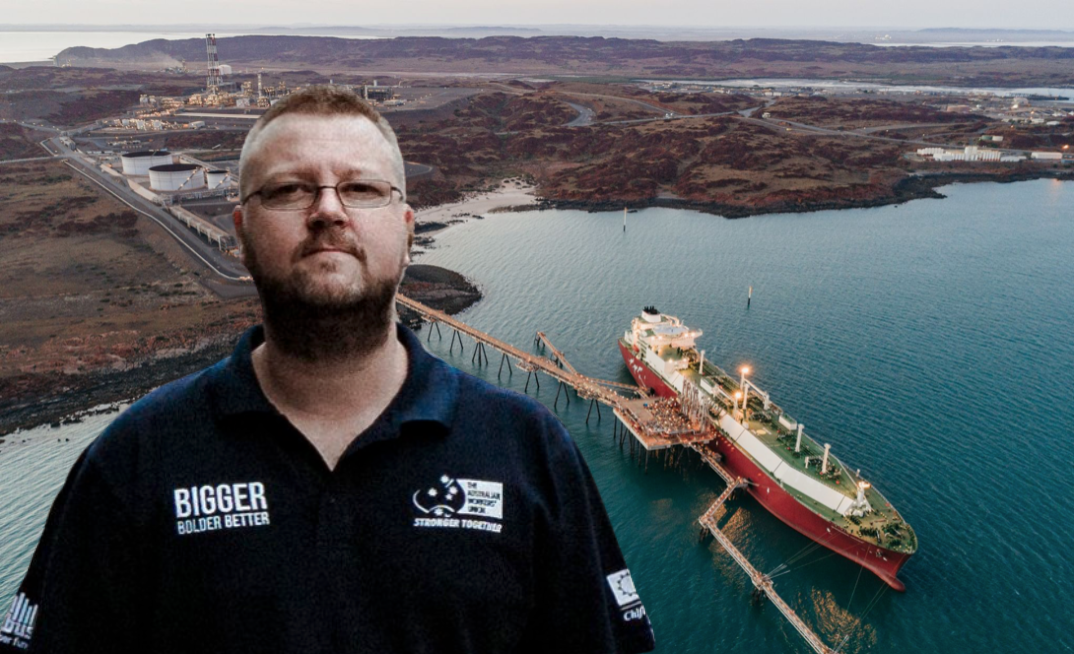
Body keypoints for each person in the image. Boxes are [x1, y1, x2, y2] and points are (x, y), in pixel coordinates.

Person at [0, 86, 655, 654]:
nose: (328, 210)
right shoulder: (133, 462)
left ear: (405, 229)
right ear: (242, 230)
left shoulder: (531, 453)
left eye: (361, 187)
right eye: (289, 189)